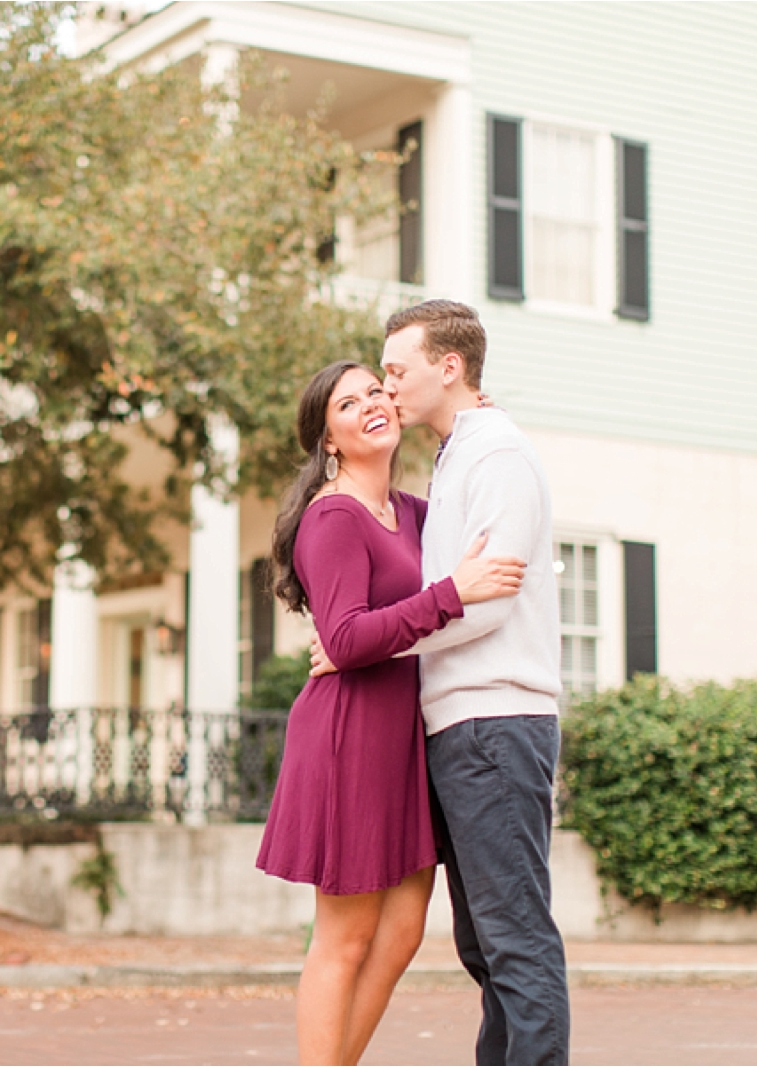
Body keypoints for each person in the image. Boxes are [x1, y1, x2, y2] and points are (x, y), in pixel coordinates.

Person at [311, 300, 571, 1065]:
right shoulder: (454, 457)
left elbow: (486, 601)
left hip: (496, 722)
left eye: (395, 370)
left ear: (448, 367)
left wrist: (375, 649)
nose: (386, 388)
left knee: (514, 937)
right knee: (486, 945)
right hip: (460, 728)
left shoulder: (497, 456)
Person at [256, 359, 527, 1066]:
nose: (371, 403)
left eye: (377, 389)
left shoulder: (413, 511)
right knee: (344, 936)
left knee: (403, 932)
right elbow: (346, 638)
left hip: (406, 741)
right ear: (331, 439)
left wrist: (474, 421)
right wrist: (453, 592)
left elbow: (469, 526)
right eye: (349, 403)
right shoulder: (333, 515)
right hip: (349, 735)